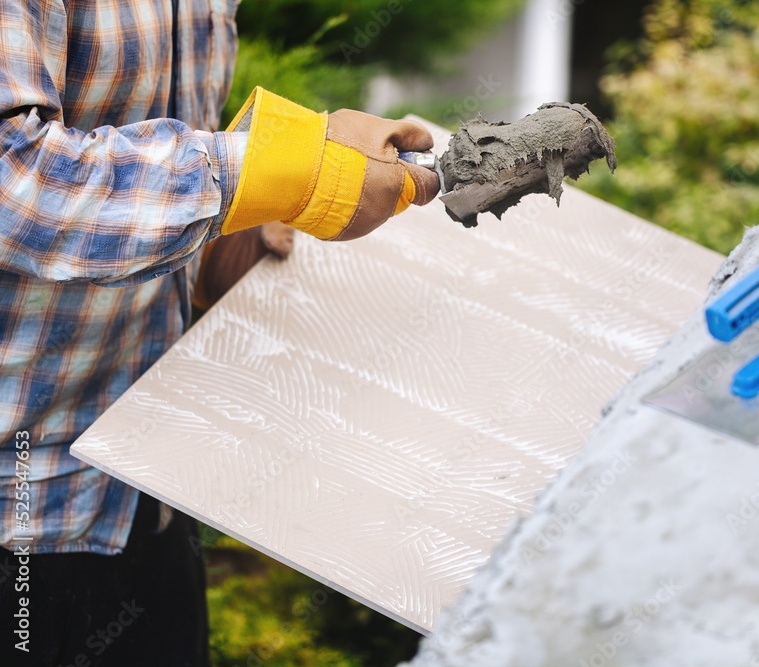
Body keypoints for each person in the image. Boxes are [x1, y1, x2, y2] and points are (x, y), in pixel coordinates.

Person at [0, 1, 440, 664]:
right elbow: (15, 179)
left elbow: (140, 168)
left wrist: (227, 240)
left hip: (142, 493)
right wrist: (291, 168)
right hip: (20, 516)